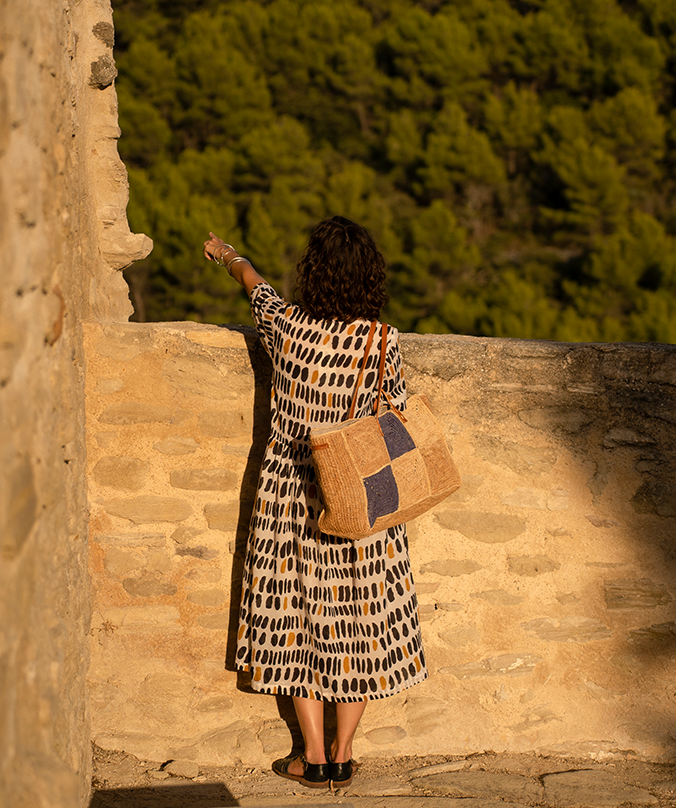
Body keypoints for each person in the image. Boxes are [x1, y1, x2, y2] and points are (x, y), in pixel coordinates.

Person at [203, 217, 427, 790]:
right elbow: (395, 414)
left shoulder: (290, 329)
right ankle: (344, 751)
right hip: (360, 493)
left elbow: (256, 287)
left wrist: (227, 253)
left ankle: (311, 754)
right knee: (360, 620)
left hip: (290, 493)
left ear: (316, 273)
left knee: (296, 618)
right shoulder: (382, 341)